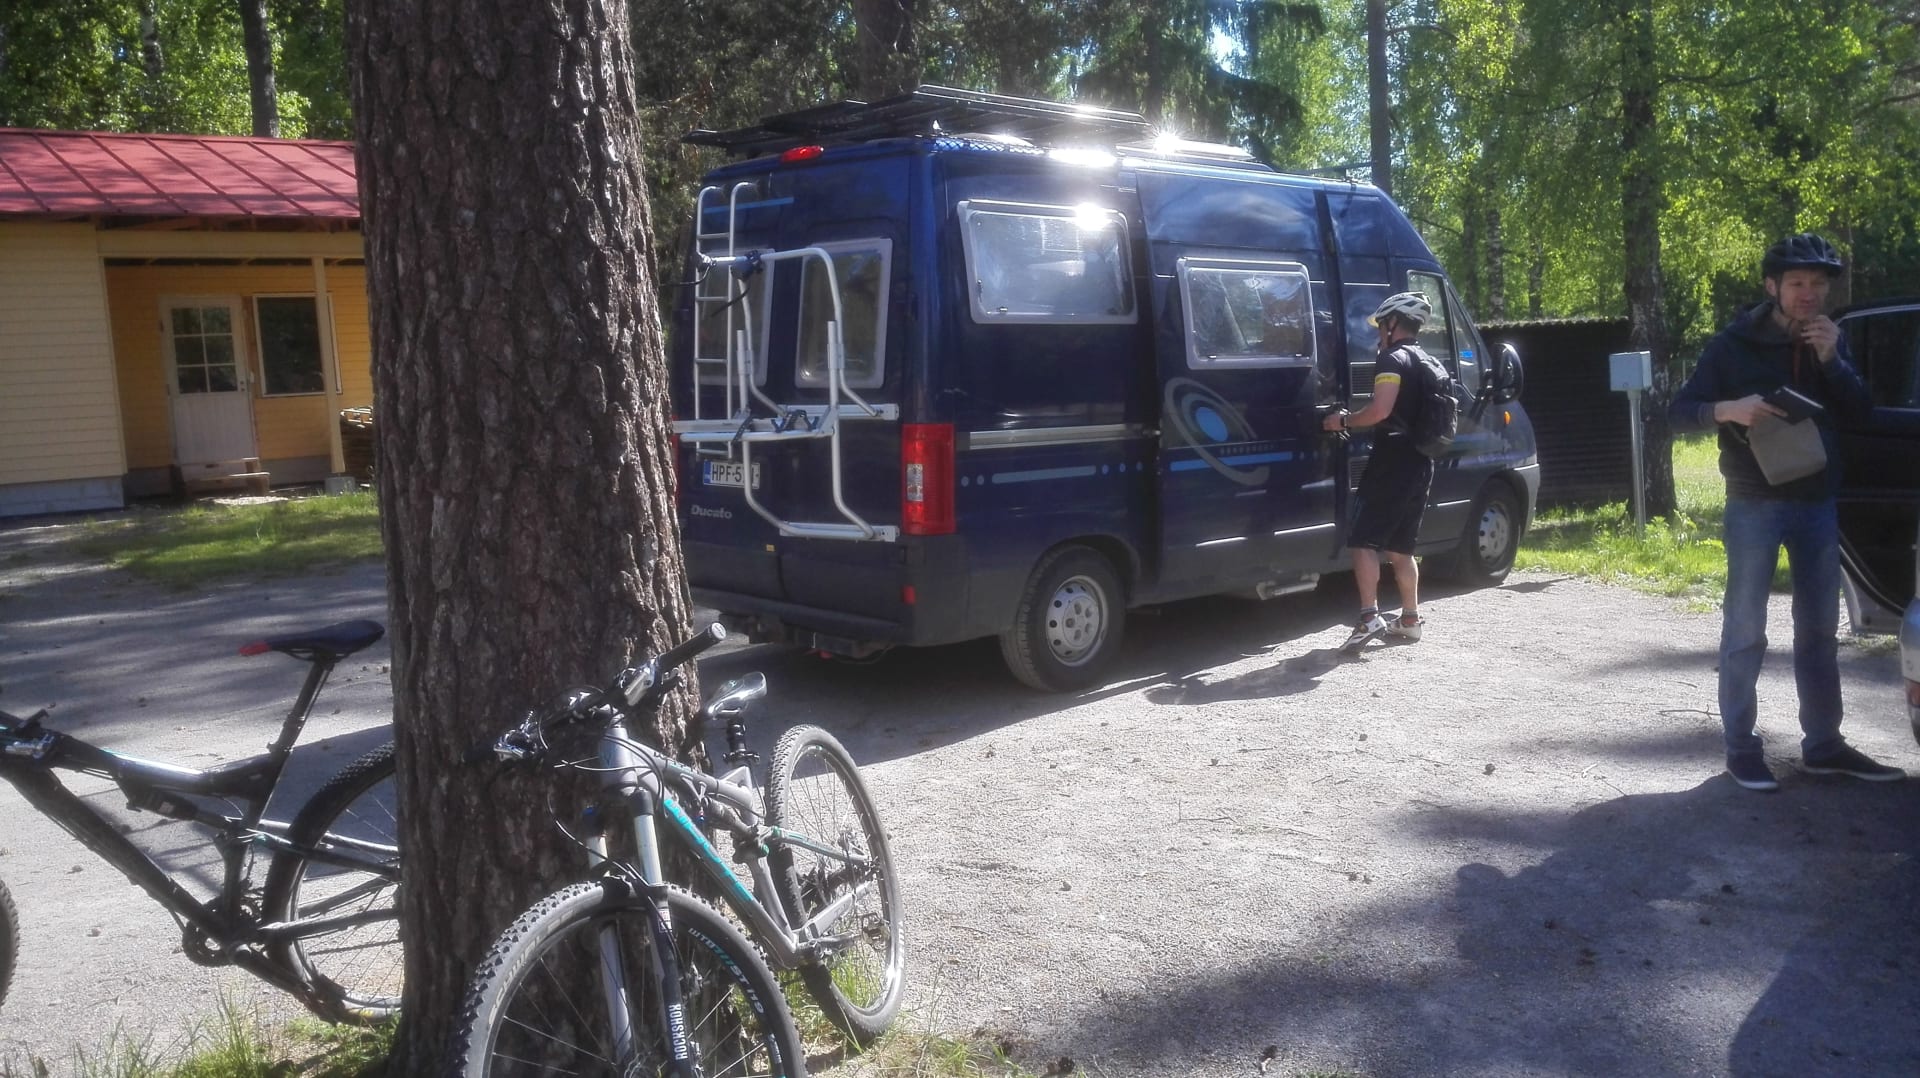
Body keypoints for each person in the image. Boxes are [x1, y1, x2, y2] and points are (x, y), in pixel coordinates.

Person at [1669, 232, 1902, 791]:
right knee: (1746, 629)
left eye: (1817, 285)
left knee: (1819, 631)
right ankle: (1741, 748)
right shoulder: (1732, 345)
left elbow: (1860, 411)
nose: (1807, 294)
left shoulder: (1830, 338)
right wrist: (1729, 409)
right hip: (1754, 501)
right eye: (1797, 283)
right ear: (1772, 286)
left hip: (1817, 501)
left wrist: (1831, 359)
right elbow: (1677, 412)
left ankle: (1824, 746)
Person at [1323, 291, 1438, 652]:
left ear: (1392, 324)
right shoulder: (1431, 363)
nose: (1378, 335)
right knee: (1400, 547)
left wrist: (1342, 420)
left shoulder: (1392, 359)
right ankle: (1409, 619)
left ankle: (1370, 616)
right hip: (1422, 463)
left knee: (1362, 541)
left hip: (1392, 462)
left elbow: (1379, 411)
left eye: (1381, 326)